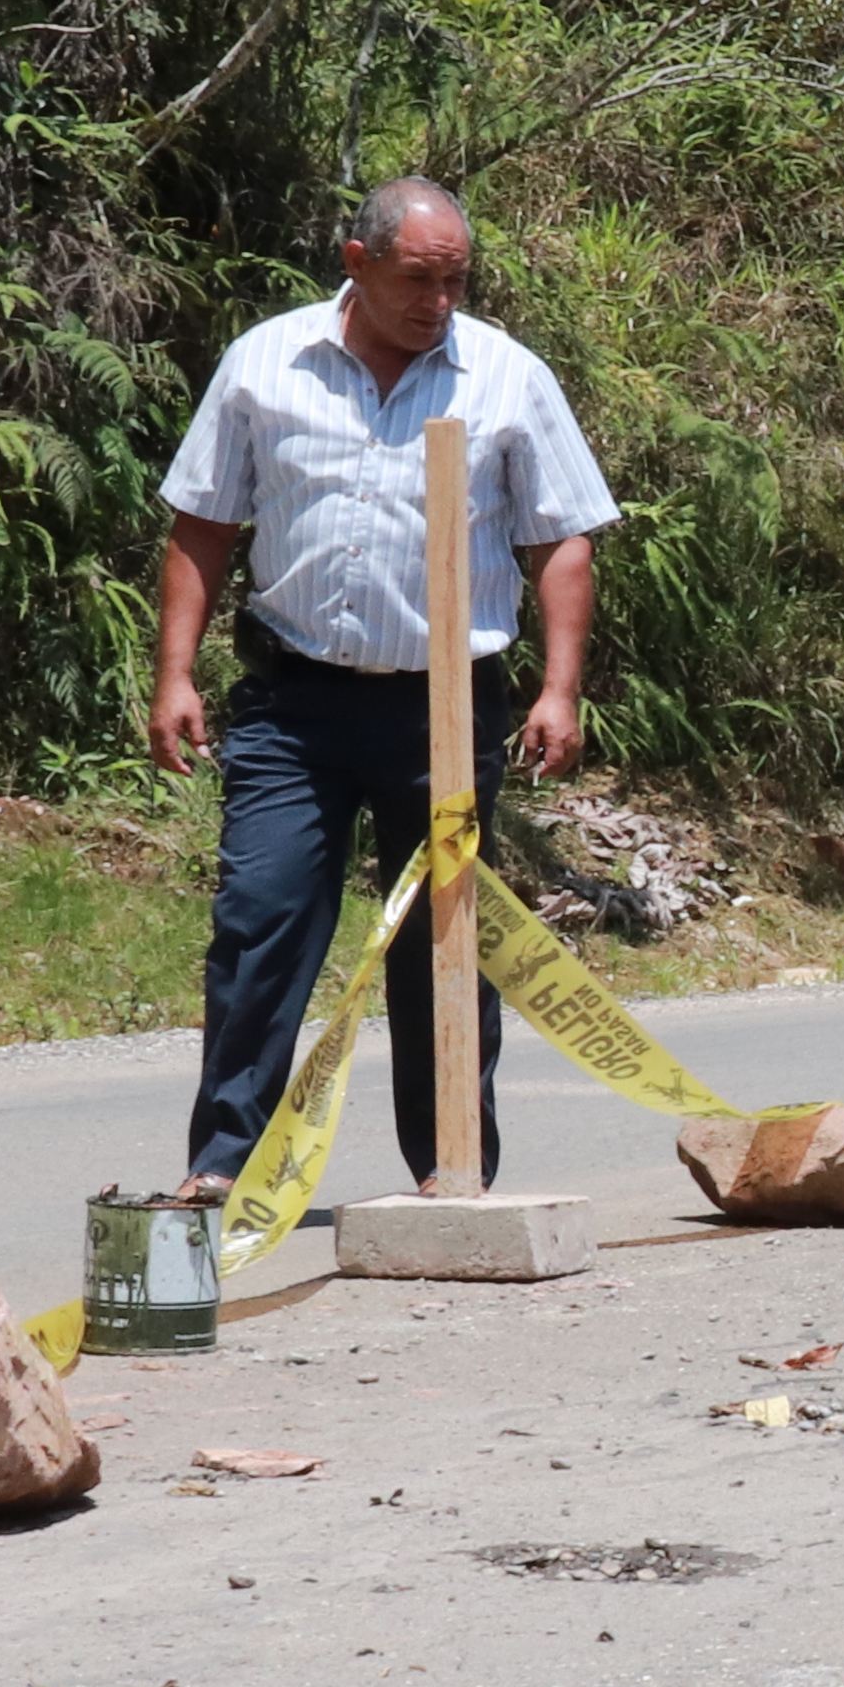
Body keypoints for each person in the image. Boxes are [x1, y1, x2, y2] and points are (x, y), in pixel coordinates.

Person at [149, 174, 621, 1207]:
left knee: (445, 942)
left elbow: (562, 538)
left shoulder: (505, 377)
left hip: (444, 713)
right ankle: (223, 1164)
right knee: (260, 923)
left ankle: (452, 1165)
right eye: (419, 278)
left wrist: (560, 688)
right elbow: (203, 523)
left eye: (456, 280)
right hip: (293, 704)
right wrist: (175, 674)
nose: (439, 301)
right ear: (356, 264)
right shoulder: (263, 364)